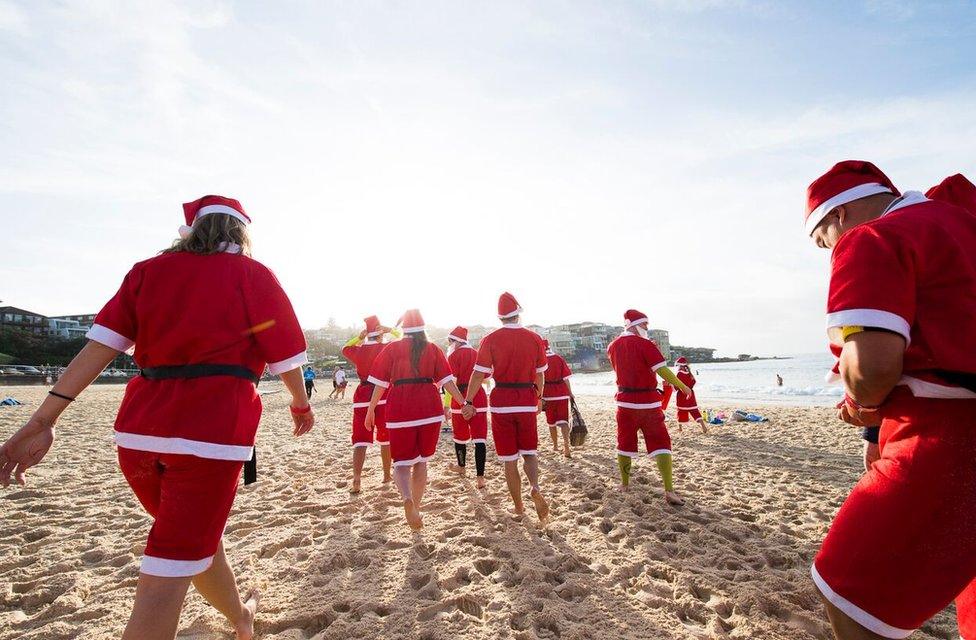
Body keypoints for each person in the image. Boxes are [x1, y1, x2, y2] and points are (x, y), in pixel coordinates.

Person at [0, 195, 314, 640]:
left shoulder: (147, 271)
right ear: (241, 232)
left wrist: (44, 420)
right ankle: (240, 618)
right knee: (166, 574)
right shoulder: (253, 274)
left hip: (138, 437)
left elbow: (98, 349)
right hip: (211, 436)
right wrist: (300, 404)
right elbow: (286, 358)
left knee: (189, 543)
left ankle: (241, 617)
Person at [804, 160, 976, 640]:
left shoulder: (874, 236)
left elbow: (875, 368)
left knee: (846, 589)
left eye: (824, 243)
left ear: (839, 216)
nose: (830, 252)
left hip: (949, 436)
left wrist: (863, 405)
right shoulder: (962, 222)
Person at [364, 309, 465, 529]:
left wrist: (371, 410)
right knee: (421, 462)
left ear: (404, 328)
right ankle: (416, 508)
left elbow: (380, 384)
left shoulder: (392, 348)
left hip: (400, 407)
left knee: (401, 463)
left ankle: (407, 499)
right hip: (429, 408)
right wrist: (463, 403)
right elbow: (448, 382)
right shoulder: (433, 349)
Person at [462, 292, 550, 522]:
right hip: (526, 400)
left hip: (502, 401)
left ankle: (519, 506)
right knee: (530, 453)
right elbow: (540, 375)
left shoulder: (490, 339)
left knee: (509, 459)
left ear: (500, 317)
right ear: (518, 313)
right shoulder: (534, 338)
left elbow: (478, 373)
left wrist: (468, 401)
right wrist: (539, 398)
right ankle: (535, 487)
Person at [607, 309, 692, 505]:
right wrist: (682, 385)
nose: (647, 328)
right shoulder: (645, 344)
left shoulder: (613, 346)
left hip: (624, 402)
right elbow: (661, 370)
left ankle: (625, 484)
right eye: (645, 324)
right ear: (635, 325)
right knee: (661, 443)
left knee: (624, 443)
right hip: (649, 403)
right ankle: (669, 490)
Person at [341, 316, 396, 493]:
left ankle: (357, 479)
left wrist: (359, 337)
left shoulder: (359, 351)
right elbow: (404, 340)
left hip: (363, 395)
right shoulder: (386, 348)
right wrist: (391, 330)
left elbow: (345, 348)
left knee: (360, 440)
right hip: (384, 395)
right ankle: (386, 475)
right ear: (380, 334)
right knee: (385, 438)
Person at [446, 326, 490, 488]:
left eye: (449, 341)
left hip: (460, 397)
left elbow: (452, 383)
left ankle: (462, 467)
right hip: (478, 396)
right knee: (479, 439)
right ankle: (480, 478)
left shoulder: (454, 356)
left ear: (455, 341)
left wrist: (446, 405)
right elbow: (485, 379)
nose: (449, 345)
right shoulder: (477, 354)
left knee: (460, 437)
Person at [541, 339, 574, 458]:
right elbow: (566, 378)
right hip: (562, 393)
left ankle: (555, 445)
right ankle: (566, 445)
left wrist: (538, 396)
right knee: (563, 421)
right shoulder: (559, 358)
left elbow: (539, 380)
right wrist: (570, 393)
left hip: (548, 394)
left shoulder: (540, 360)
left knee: (551, 422)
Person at [667, 357, 708, 434]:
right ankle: (703, 426)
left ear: (680, 365)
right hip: (690, 394)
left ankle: (680, 428)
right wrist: (689, 388)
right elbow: (694, 382)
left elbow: (676, 384)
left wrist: (670, 384)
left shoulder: (679, 373)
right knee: (694, 411)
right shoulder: (689, 373)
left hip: (682, 395)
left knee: (681, 411)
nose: (678, 367)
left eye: (678, 366)